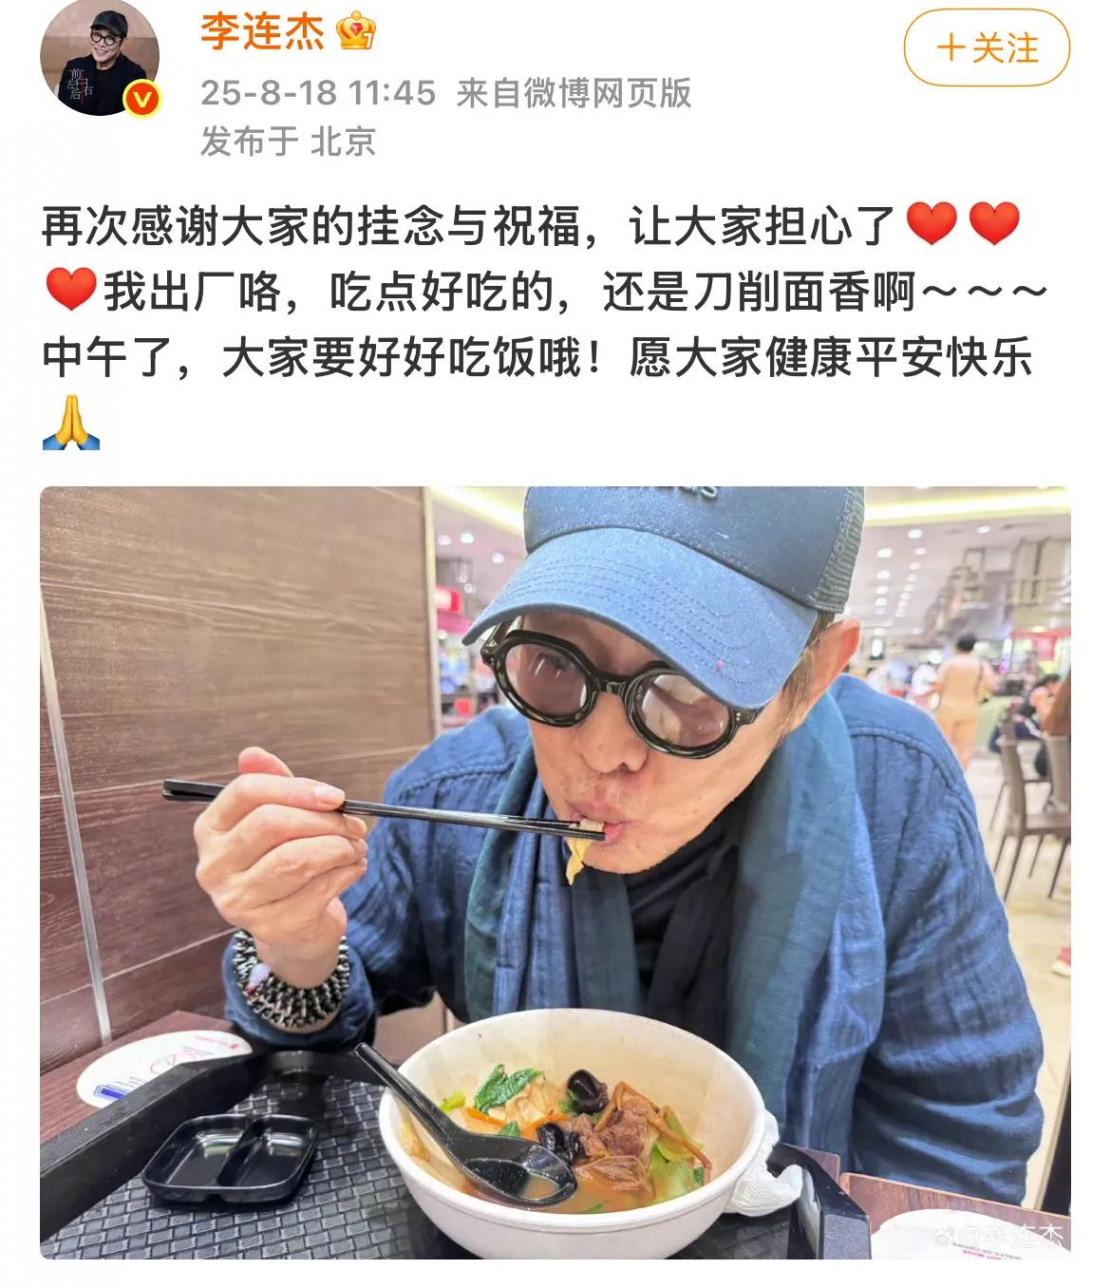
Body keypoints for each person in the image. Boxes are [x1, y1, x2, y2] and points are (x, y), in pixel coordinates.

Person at [193, 488, 1043, 1204]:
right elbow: (308, 1054)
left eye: (691, 689)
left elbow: (958, 1131)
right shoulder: (455, 789)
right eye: (554, 663)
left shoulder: (893, 787)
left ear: (814, 676)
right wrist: (295, 945)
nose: (601, 753)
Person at [57, 11, 147, 116]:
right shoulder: (74, 68)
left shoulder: (135, 76)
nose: (101, 44)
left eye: (110, 38)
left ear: (122, 42)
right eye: (97, 35)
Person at [929, 635, 995, 769]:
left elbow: (939, 685)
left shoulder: (950, 663)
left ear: (957, 647)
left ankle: (943, 771)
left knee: (943, 742)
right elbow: (991, 685)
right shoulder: (980, 664)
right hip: (970, 707)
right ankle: (962, 772)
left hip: (947, 707)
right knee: (965, 746)